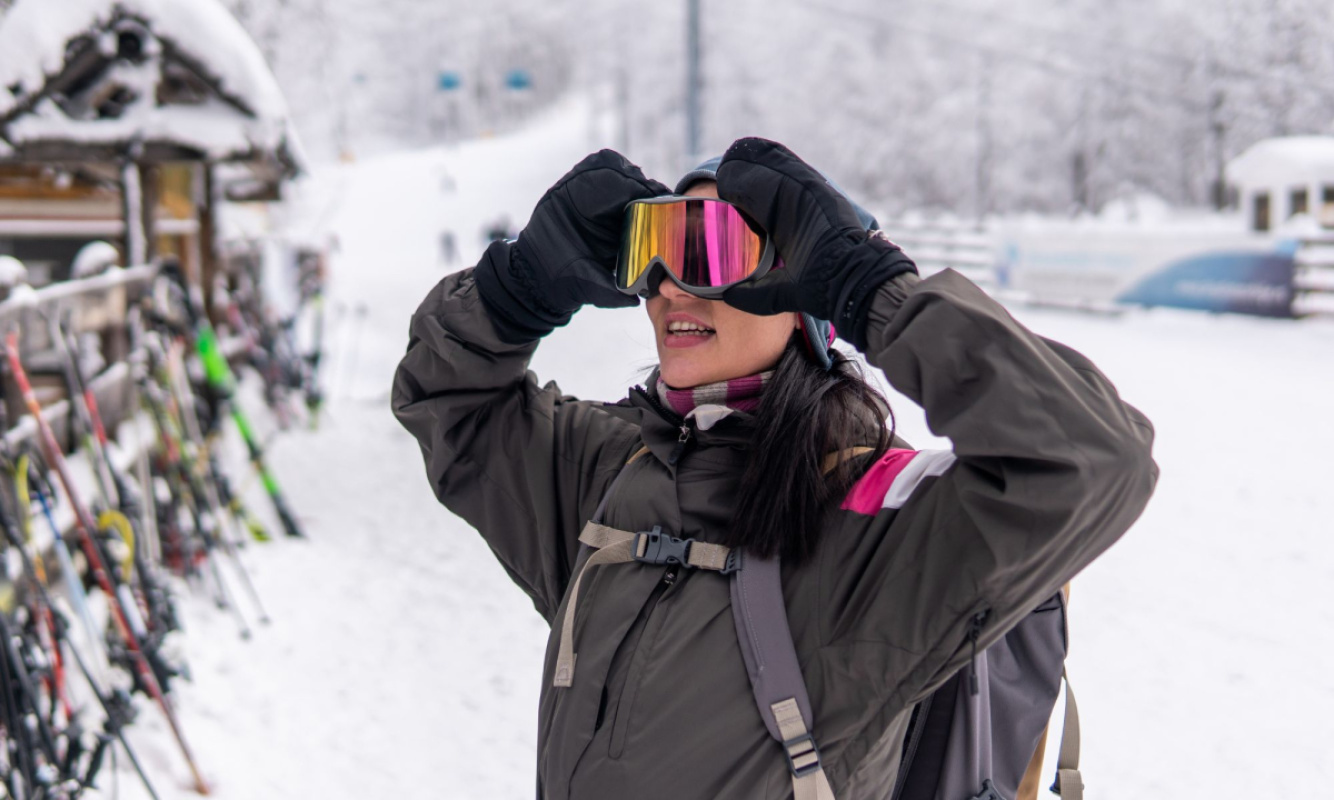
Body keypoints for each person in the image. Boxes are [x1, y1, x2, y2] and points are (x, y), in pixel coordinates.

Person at [392, 138, 1158, 800]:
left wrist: (872, 288)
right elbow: (449, 401)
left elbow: (1089, 460)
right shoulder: (608, 475)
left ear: (803, 295)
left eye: (712, 251)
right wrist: (516, 290)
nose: (671, 286)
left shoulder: (872, 524)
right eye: (653, 249)